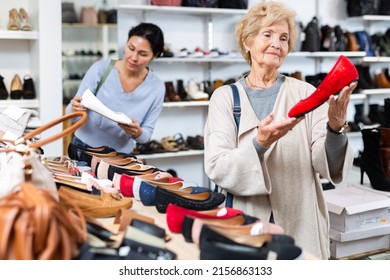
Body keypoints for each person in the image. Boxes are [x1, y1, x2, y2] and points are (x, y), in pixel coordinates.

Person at [204, 1, 357, 260]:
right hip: (247, 222)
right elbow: (218, 167)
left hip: (302, 223)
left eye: (284, 38)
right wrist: (259, 144)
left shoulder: (306, 93)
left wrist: (335, 129)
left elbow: (325, 164)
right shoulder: (225, 98)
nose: (277, 43)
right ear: (247, 42)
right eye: (268, 34)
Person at [66, 22, 165, 154]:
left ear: (155, 55)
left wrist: (137, 132)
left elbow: (146, 136)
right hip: (83, 148)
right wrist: (74, 108)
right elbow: (71, 116)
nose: (133, 57)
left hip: (121, 156)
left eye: (143, 54)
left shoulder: (157, 87)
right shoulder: (101, 69)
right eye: (131, 48)